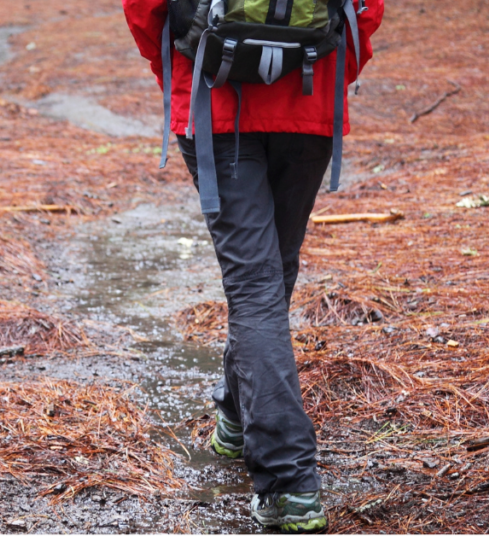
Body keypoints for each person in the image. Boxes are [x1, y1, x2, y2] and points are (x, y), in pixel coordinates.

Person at [122, 0, 384, 532]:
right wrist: (322, 59)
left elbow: (143, 10)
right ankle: (237, 416)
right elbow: (367, 10)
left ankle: (289, 484)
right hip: (310, 98)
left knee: (258, 285)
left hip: (213, 99)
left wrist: (184, 63)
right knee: (270, 278)